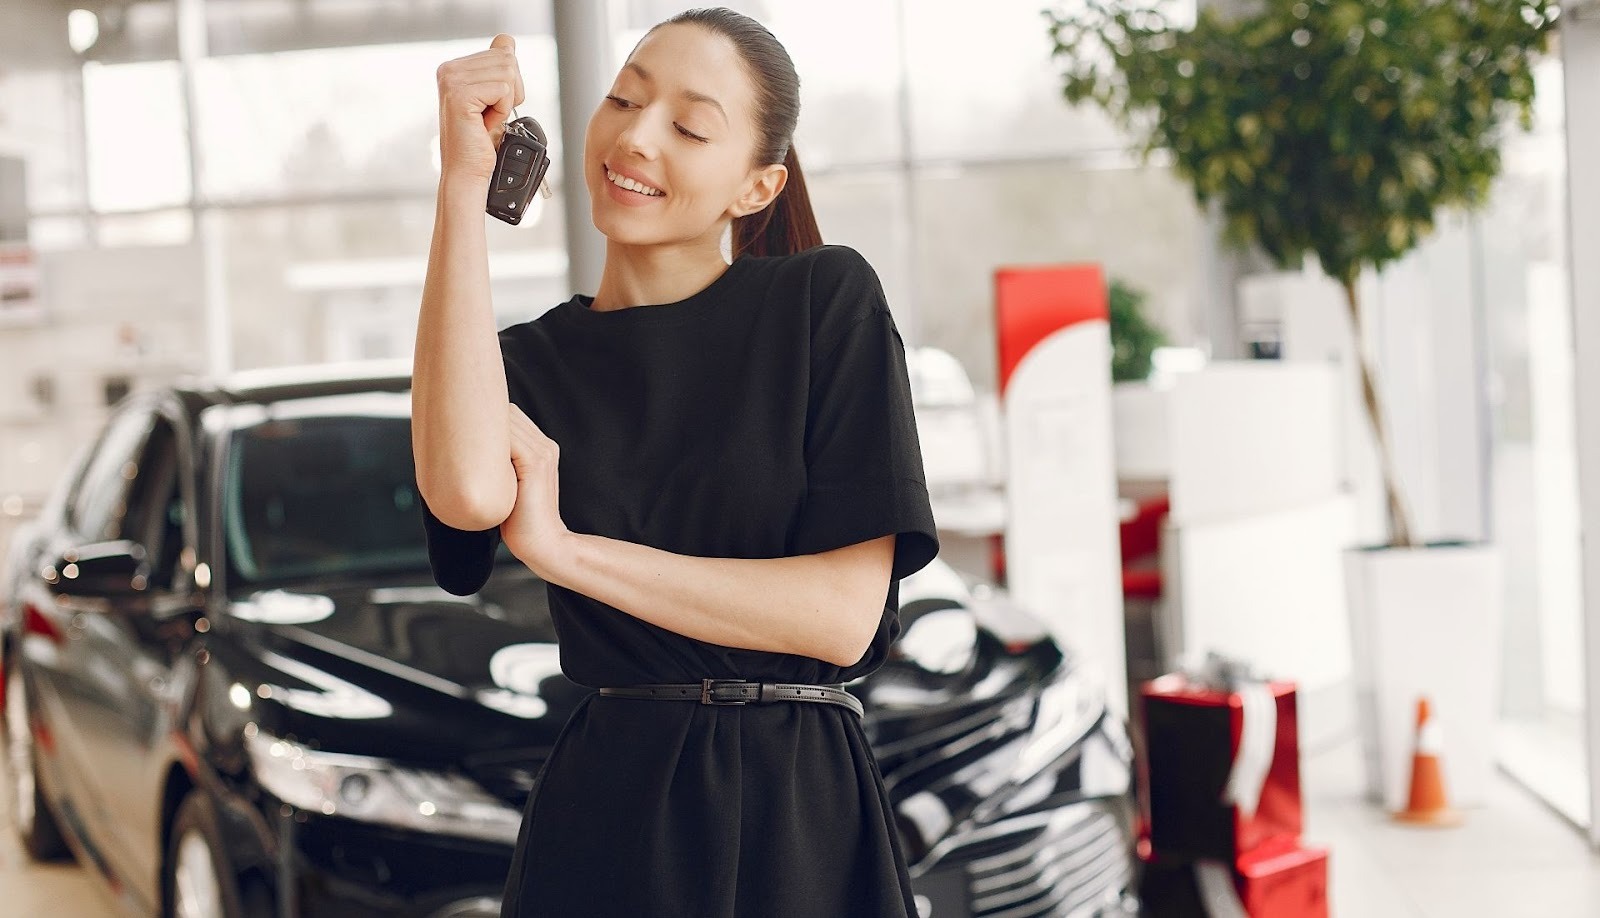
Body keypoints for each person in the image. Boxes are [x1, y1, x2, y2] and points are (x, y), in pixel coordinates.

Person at [411, 8, 940, 917]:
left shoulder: (824, 302)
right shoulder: (529, 362)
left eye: (690, 126)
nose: (636, 136)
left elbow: (843, 618)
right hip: (614, 814)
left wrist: (569, 553)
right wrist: (463, 184)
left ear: (756, 185)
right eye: (623, 98)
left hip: (801, 816)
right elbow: (464, 494)